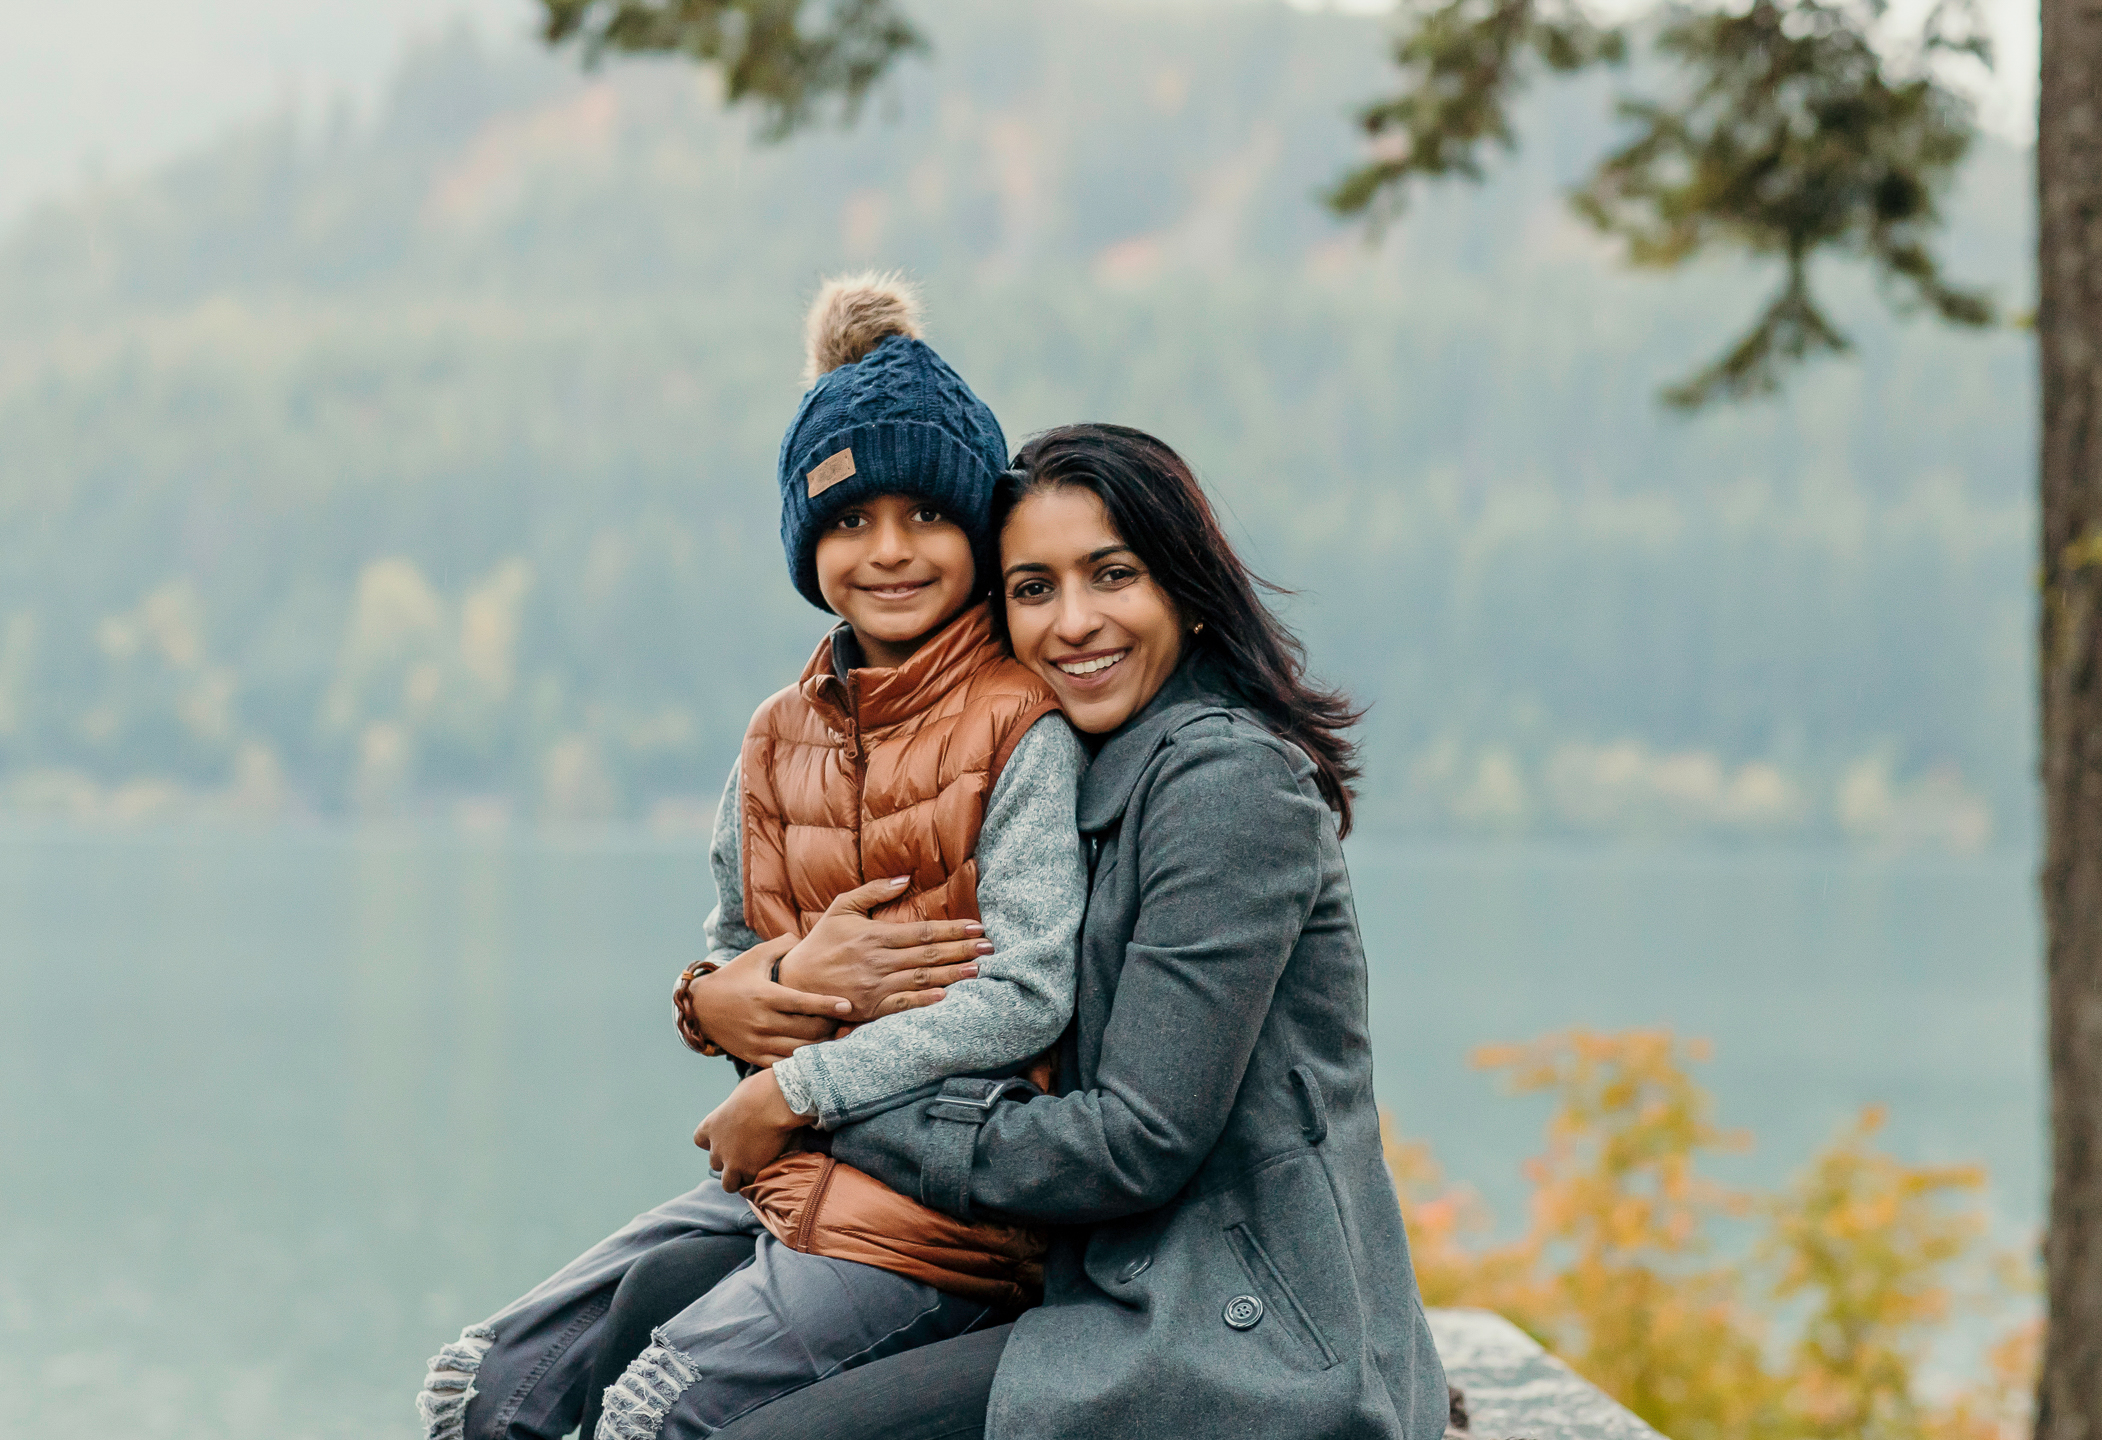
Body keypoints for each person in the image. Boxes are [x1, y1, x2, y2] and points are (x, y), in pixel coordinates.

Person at [414, 276, 1090, 1440]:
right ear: (805, 541)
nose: (888, 551)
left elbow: (1028, 994)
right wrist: (750, 994)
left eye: (926, 515)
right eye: (846, 520)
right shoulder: (780, 734)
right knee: (478, 1389)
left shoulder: (1021, 723)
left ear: (980, 528)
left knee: (650, 1420)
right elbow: (734, 955)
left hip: (939, 1219)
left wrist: (797, 1079)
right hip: (780, 1185)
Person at [690, 423, 1449, 1439]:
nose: (1076, 622)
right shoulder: (1058, 768)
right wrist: (724, 994)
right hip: (1095, 1300)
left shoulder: (1224, 785)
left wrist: (820, 1105)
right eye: (1034, 588)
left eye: (1113, 575)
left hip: (1234, 1347)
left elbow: (1132, 1144)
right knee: (640, 1340)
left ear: (1181, 584)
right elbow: (906, 976)